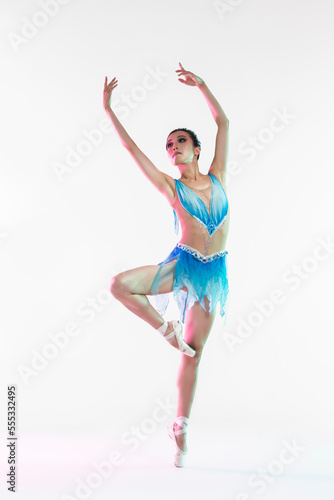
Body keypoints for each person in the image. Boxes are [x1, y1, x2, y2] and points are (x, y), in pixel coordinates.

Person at [104, 62, 230, 468]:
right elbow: (130, 150)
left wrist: (202, 85)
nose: (173, 148)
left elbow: (223, 122)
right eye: (169, 146)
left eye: (180, 142)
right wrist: (109, 110)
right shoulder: (169, 186)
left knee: (194, 354)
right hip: (183, 265)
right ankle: (165, 330)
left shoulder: (219, 176)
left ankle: (180, 428)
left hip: (213, 276)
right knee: (119, 284)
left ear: (196, 149)